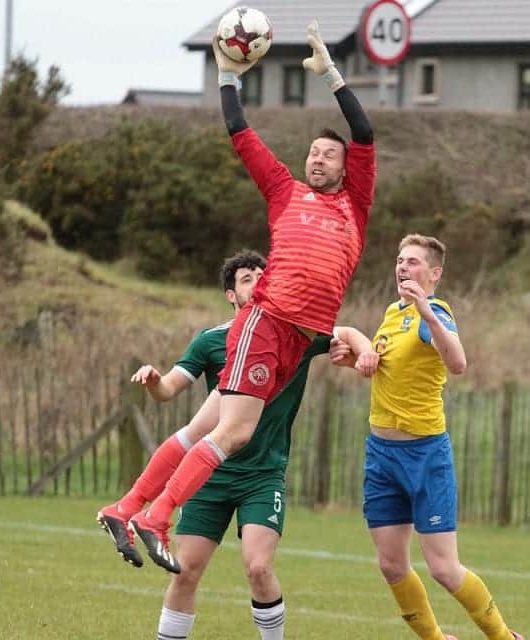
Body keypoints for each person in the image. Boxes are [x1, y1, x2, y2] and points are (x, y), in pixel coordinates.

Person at [126, 19, 377, 574]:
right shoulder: (285, 192)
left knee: (231, 433)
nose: (318, 159)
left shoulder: (354, 204)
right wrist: (226, 77)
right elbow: (241, 133)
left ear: (345, 168)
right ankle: (155, 514)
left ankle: (147, 511)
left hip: (299, 336)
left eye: (327, 155)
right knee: (231, 431)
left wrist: (333, 75)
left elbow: (364, 131)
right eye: (312, 152)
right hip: (268, 320)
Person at [98, 249, 377, 640]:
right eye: (247, 279)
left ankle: (133, 508)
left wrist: (364, 353)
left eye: (263, 276)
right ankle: (142, 512)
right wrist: (154, 382)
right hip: (209, 474)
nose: (259, 282)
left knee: (259, 569)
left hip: (262, 475)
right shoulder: (214, 340)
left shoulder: (295, 331)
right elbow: (170, 389)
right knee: (186, 570)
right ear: (231, 294)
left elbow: (345, 332)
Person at [331, 235, 524, 640]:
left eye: (414, 262)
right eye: (400, 260)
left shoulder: (433, 312)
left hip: (423, 454)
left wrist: (427, 313)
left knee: (443, 569)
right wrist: (357, 362)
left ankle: (504, 637)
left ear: (434, 274)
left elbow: (458, 363)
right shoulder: (390, 314)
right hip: (381, 455)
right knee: (391, 565)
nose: (403, 267)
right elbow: (394, 373)